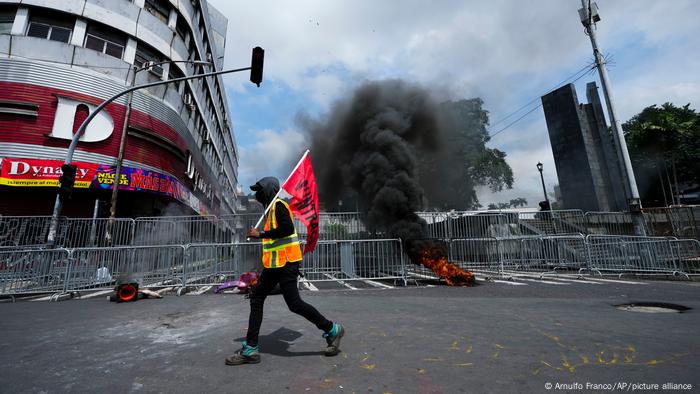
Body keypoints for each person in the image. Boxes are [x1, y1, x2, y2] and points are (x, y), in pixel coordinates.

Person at [225, 177, 345, 365]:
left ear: (269, 191)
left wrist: (260, 235)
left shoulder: (279, 205)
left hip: (287, 264)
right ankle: (250, 349)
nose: (257, 194)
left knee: (294, 304)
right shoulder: (270, 209)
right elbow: (274, 242)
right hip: (275, 265)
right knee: (257, 297)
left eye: (260, 190)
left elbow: (287, 229)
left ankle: (332, 329)